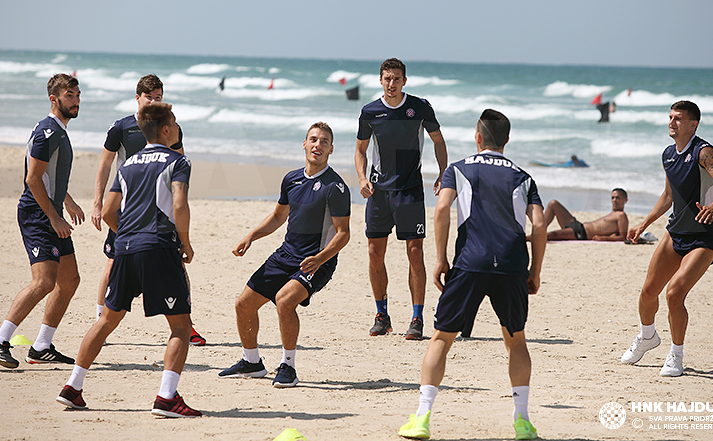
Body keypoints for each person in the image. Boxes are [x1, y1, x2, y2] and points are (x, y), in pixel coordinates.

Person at [399, 109, 545, 440]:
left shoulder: (459, 169)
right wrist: (534, 269)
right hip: (510, 263)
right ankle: (522, 421)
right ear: (506, 140)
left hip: (470, 260)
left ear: (478, 137)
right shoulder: (523, 177)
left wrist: (440, 258)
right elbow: (538, 225)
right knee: (516, 339)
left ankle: (422, 418)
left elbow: (441, 209)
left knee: (441, 338)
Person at [56, 102, 201, 417]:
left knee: (107, 320)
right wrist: (185, 243)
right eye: (174, 122)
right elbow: (179, 204)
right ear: (165, 129)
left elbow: (108, 212)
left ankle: (73, 387)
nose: (177, 127)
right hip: (160, 247)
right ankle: (166, 398)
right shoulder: (178, 161)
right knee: (180, 326)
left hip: (124, 248)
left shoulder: (130, 163)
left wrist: (130, 236)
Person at [219, 122, 350, 388]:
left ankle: (288, 366)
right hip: (286, 255)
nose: (318, 145)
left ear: (331, 149)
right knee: (243, 304)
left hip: (316, 262)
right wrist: (250, 237)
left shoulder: (335, 187)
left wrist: (320, 258)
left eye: (324, 142)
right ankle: (252, 362)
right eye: (313, 139)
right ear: (304, 144)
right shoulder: (292, 179)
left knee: (284, 300)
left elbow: (343, 234)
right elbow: (279, 216)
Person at [91, 74, 205, 345]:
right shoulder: (122, 127)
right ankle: (100, 320)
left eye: (158, 97)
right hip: (127, 206)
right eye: (149, 97)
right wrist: (98, 203)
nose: (154, 101)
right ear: (137, 98)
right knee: (112, 262)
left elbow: (179, 161)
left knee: (176, 261)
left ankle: (186, 325)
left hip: (160, 210)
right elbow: (105, 164)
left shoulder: (170, 128)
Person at [623, 100, 713, 377]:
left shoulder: (703, 152)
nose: (672, 122)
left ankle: (676, 355)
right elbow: (668, 196)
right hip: (675, 232)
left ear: (693, 124)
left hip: (705, 235)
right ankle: (647, 336)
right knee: (648, 292)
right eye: (670, 117)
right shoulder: (668, 155)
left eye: (679, 119)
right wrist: (644, 223)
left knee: (674, 293)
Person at [0, 74, 84, 369]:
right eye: (69, 96)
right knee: (44, 282)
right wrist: (53, 216)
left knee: (69, 280)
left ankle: (41, 346)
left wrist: (67, 200)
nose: (75, 101)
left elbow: (49, 177)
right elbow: (32, 178)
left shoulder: (59, 132)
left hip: (51, 211)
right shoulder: (48, 133)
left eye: (77, 95)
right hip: (38, 215)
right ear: (54, 99)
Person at [355, 58, 448, 340]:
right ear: (380, 80)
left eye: (397, 79)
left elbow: (438, 140)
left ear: (404, 81)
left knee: (415, 252)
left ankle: (417, 318)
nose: (392, 83)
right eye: (387, 78)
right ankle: (381, 315)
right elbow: (360, 150)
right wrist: (362, 179)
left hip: (409, 189)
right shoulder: (370, 112)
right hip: (379, 191)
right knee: (374, 253)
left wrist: (443, 173)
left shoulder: (419, 108)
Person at [541, 188, 629, 241]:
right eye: (612, 198)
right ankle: (538, 229)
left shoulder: (621, 215)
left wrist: (604, 238)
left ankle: (529, 238)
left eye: (617, 198)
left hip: (582, 233)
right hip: (578, 225)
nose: (614, 200)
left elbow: (622, 236)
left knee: (552, 235)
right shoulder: (612, 214)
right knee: (553, 204)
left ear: (625, 200)